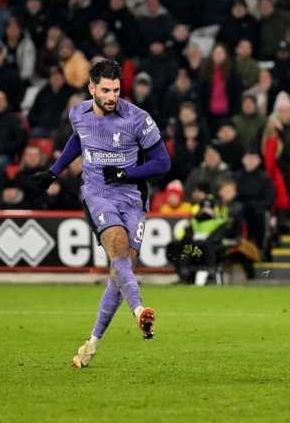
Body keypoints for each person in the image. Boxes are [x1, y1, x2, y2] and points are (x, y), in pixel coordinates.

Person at [26, 59, 171, 367]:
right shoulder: (77, 113)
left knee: (122, 271)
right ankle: (140, 312)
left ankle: (91, 344)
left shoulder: (137, 119)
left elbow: (163, 162)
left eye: (116, 90)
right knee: (117, 247)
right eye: (105, 90)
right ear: (91, 88)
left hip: (132, 197)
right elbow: (79, 140)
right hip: (96, 194)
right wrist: (54, 171)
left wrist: (127, 174)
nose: (111, 96)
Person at [235, 150, 276, 248]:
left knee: (259, 217)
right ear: (243, 160)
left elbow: (270, 198)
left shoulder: (265, 178)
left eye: (253, 159)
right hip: (239, 208)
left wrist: (256, 205)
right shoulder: (236, 176)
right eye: (248, 158)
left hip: (258, 210)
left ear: (259, 161)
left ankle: (258, 248)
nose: (250, 161)